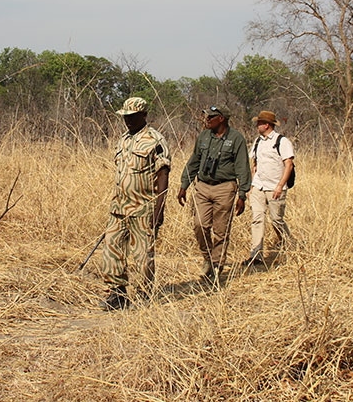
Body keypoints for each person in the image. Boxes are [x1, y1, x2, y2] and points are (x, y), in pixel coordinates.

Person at [100, 97, 171, 311]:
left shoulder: (155, 140)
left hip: (143, 208)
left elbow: (163, 175)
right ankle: (117, 293)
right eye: (125, 117)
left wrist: (159, 211)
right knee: (112, 251)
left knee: (142, 256)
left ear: (144, 115)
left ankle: (142, 295)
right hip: (119, 207)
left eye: (132, 117)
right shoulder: (123, 139)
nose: (128, 121)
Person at [176, 105, 251, 284]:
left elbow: (242, 167)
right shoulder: (203, 136)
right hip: (202, 187)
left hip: (224, 188)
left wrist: (242, 194)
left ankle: (217, 266)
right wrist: (184, 184)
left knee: (221, 230)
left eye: (211, 118)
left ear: (221, 119)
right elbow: (194, 161)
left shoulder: (236, 139)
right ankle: (207, 258)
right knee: (199, 224)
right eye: (206, 117)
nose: (207, 120)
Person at [242, 110, 294, 266]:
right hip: (258, 185)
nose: (257, 125)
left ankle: (287, 245)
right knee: (257, 219)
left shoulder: (282, 141)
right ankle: (255, 255)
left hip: (275, 187)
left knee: (276, 220)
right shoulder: (258, 141)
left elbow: (288, 164)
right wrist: (251, 186)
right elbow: (255, 165)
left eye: (259, 123)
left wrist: (280, 186)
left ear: (266, 125)